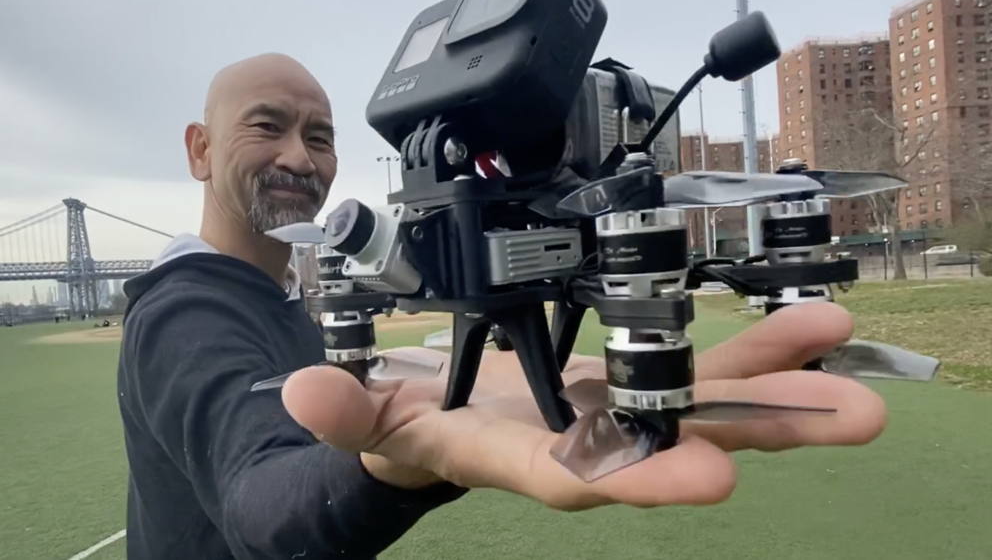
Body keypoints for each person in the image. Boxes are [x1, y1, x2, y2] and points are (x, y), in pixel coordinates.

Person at [117, 52, 888, 560]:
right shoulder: (185, 312)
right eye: (266, 126)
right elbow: (261, 502)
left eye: (319, 136)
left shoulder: (269, 292)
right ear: (199, 148)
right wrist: (388, 459)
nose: (298, 156)